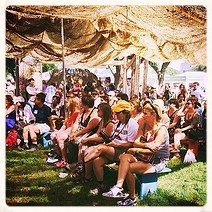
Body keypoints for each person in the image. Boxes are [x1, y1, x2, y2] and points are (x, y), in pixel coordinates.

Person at [102, 101, 170, 206]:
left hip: (157, 160)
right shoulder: (143, 125)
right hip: (143, 157)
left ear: (154, 115)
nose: (143, 116)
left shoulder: (162, 129)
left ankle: (131, 198)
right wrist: (146, 145)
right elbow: (136, 142)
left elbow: (154, 149)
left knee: (127, 168)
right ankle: (118, 187)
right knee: (124, 157)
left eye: (145, 113)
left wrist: (136, 150)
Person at [83, 100, 139, 195]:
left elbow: (131, 144)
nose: (115, 114)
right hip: (113, 149)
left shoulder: (132, 124)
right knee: (97, 161)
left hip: (123, 152)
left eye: (117, 112)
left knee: (100, 148)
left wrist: (116, 145)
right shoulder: (118, 123)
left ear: (124, 113)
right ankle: (101, 185)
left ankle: (81, 163)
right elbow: (112, 138)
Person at [69, 103, 114, 182]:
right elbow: (97, 133)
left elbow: (104, 139)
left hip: (106, 145)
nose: (97, 112)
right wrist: (88, 139)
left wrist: (88, 140)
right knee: (82, 145)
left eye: (99, 110)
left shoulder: (110, 124)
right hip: (99, 143)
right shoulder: (102, 121)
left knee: (87, 151)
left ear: (104, 112)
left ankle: (85, 173)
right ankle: (81, 168)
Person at [66, 94, 100, 164]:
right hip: (80, 131)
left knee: (81, 144)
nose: (80, 103)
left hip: (90, 133)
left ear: (86, 104)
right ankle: (73, 161)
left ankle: (80, 166)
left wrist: (75, 134)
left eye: (81, 102)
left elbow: (88, 128)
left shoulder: (95, 113)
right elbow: (76, 124)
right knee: (68, 141)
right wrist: (73, 132)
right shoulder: (82, 111)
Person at [48, 98, 80, 166]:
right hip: (67, 129)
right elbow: (64, 125)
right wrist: (60, 131)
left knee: (60, 137)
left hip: (72, 130)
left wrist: (62, 133)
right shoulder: (68, 112)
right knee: (53, 135)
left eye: (67, 102)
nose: (65, 104)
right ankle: (59, 154)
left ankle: (64, 159)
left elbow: (73, 127)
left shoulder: (77, 113)